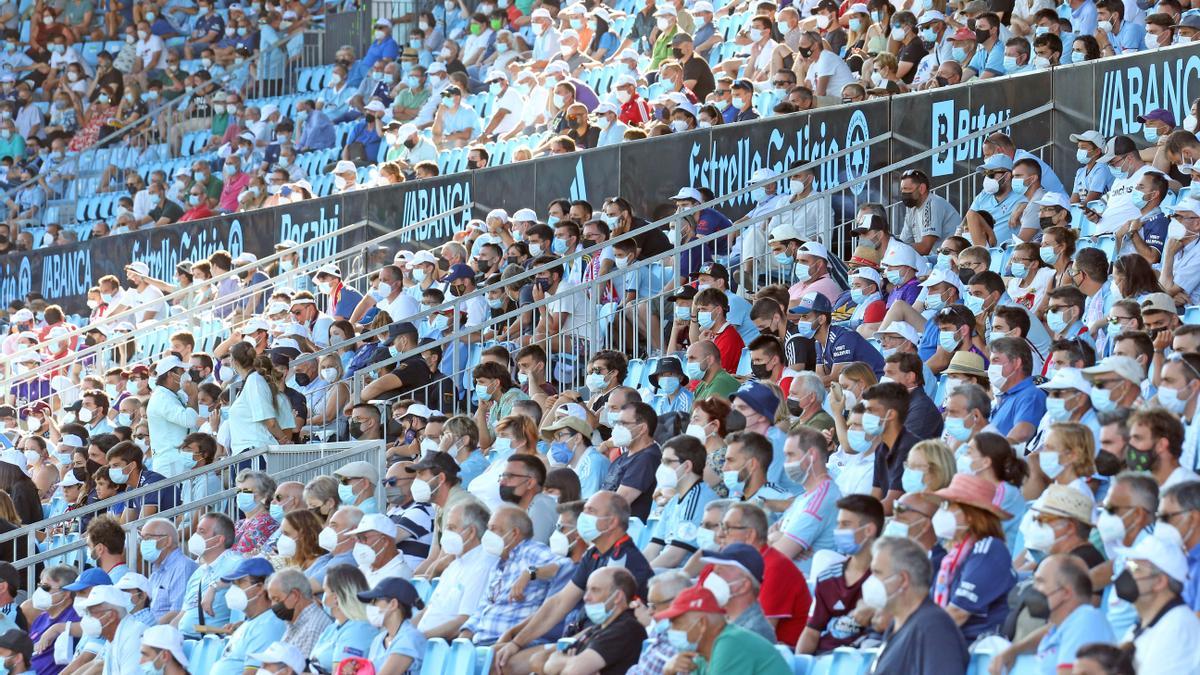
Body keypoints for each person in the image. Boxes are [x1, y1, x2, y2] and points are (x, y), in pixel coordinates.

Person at [492, 492, 653, 672]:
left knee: (506, 665)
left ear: (612, 522)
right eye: (584, 510)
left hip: (603, 644)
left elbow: (621, 622)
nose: (584, 517)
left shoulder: (626, 561)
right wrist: (516, 640)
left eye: (591, 511)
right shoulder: (593, 554)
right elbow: (559, 602)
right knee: (494, 656)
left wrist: (522, 643)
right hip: (581, 637)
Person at [990, 554, 1114, 674]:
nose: (1034, 588)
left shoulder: (1085, 621)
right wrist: (1014, 650)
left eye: (1040, 582)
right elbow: (1045, 632)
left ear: (1066, 593)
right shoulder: (1062, 625)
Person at [458, 505, 564, 646]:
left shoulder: (530, 551)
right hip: (481, 645)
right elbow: (481, 610)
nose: (487, 534)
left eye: (494, 529)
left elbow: (564, 567)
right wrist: (461, 642)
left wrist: (529, 573)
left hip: (509, 645)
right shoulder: (498, 565)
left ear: (514, 533)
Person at [928, 474, 1016, 641]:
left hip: (973, 647)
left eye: (948, 505)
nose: (941, 511)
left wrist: (920, 639)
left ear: (970, 515)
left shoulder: (989, 550)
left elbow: (958, 613)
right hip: (952, 642)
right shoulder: (953, 556)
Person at [863, 536, 969, 674]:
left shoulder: (934, 628)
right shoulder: (897, 626)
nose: (872, 581)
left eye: (877, 573)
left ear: (903, 579)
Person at [797, 494, 882, 655]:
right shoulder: (827, 577)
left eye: (846, 524)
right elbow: (811, 632)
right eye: (838, 524)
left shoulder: (888, 578)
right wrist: (799, 663)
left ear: (869, 530)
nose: (838, 531)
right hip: (824, 658)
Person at [1113, 529, 1200, 672]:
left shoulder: (1177, 628)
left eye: (1135, 568)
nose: (1125, 574)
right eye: (1127, 565)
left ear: (1160, 582)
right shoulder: (1139, 628)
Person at [656, 586, 791, 675]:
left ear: (702, 624)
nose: (671, 631)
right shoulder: (701, 654)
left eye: (677, 624)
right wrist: (668, 672)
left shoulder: (730, 643)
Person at [539, 567, 646, 674]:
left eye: (595, 590)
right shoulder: (599, 627)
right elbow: (549, 665)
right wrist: (572, 662)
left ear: (618, 596)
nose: (586, 597)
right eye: (587, 590)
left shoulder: (626, 629)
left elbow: (572, 672)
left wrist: (571, 662)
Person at [415, 500, 496, 638]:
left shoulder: (482, 566)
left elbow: (464, 622)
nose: (446, 534)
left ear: (471, 532)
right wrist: (402, 635)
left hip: (439, 646)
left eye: (451, 528)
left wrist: (419, 638)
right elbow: (429, 610)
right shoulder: (454, 564)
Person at [310, 564, 377, 672]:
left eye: (325, 591)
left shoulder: (359, 630)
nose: (323, 597)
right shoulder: (333, 628)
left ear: (336, 597)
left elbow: (341, 671)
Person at [360, 577, 427, 674]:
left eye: (375, 601)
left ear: (393, 604)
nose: (370, 607)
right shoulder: (378, 640)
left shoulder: (410, 638)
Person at [139, 517, 198, 621]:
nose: (143, 543)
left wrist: (148, 631)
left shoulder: (182, 567)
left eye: (148, 538)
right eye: (142, 539)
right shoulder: (157, 570)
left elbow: (177, 612)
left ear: (167, 541)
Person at [81, 584, 145, 675]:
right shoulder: (112, 637)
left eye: (92, 613)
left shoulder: (135, 636)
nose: (87, 618)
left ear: (111, 615)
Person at [268, 567, 332, 657]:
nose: (272, 605)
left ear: (295, 595)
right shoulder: (295, 623)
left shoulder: (312, 629)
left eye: (276, 599)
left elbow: (298, 669)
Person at [352, 513, 413, 587]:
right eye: (357, 538)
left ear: (384, 541)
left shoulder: (397, 577)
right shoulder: (366, 565)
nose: (358, 543)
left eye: (362, 538)